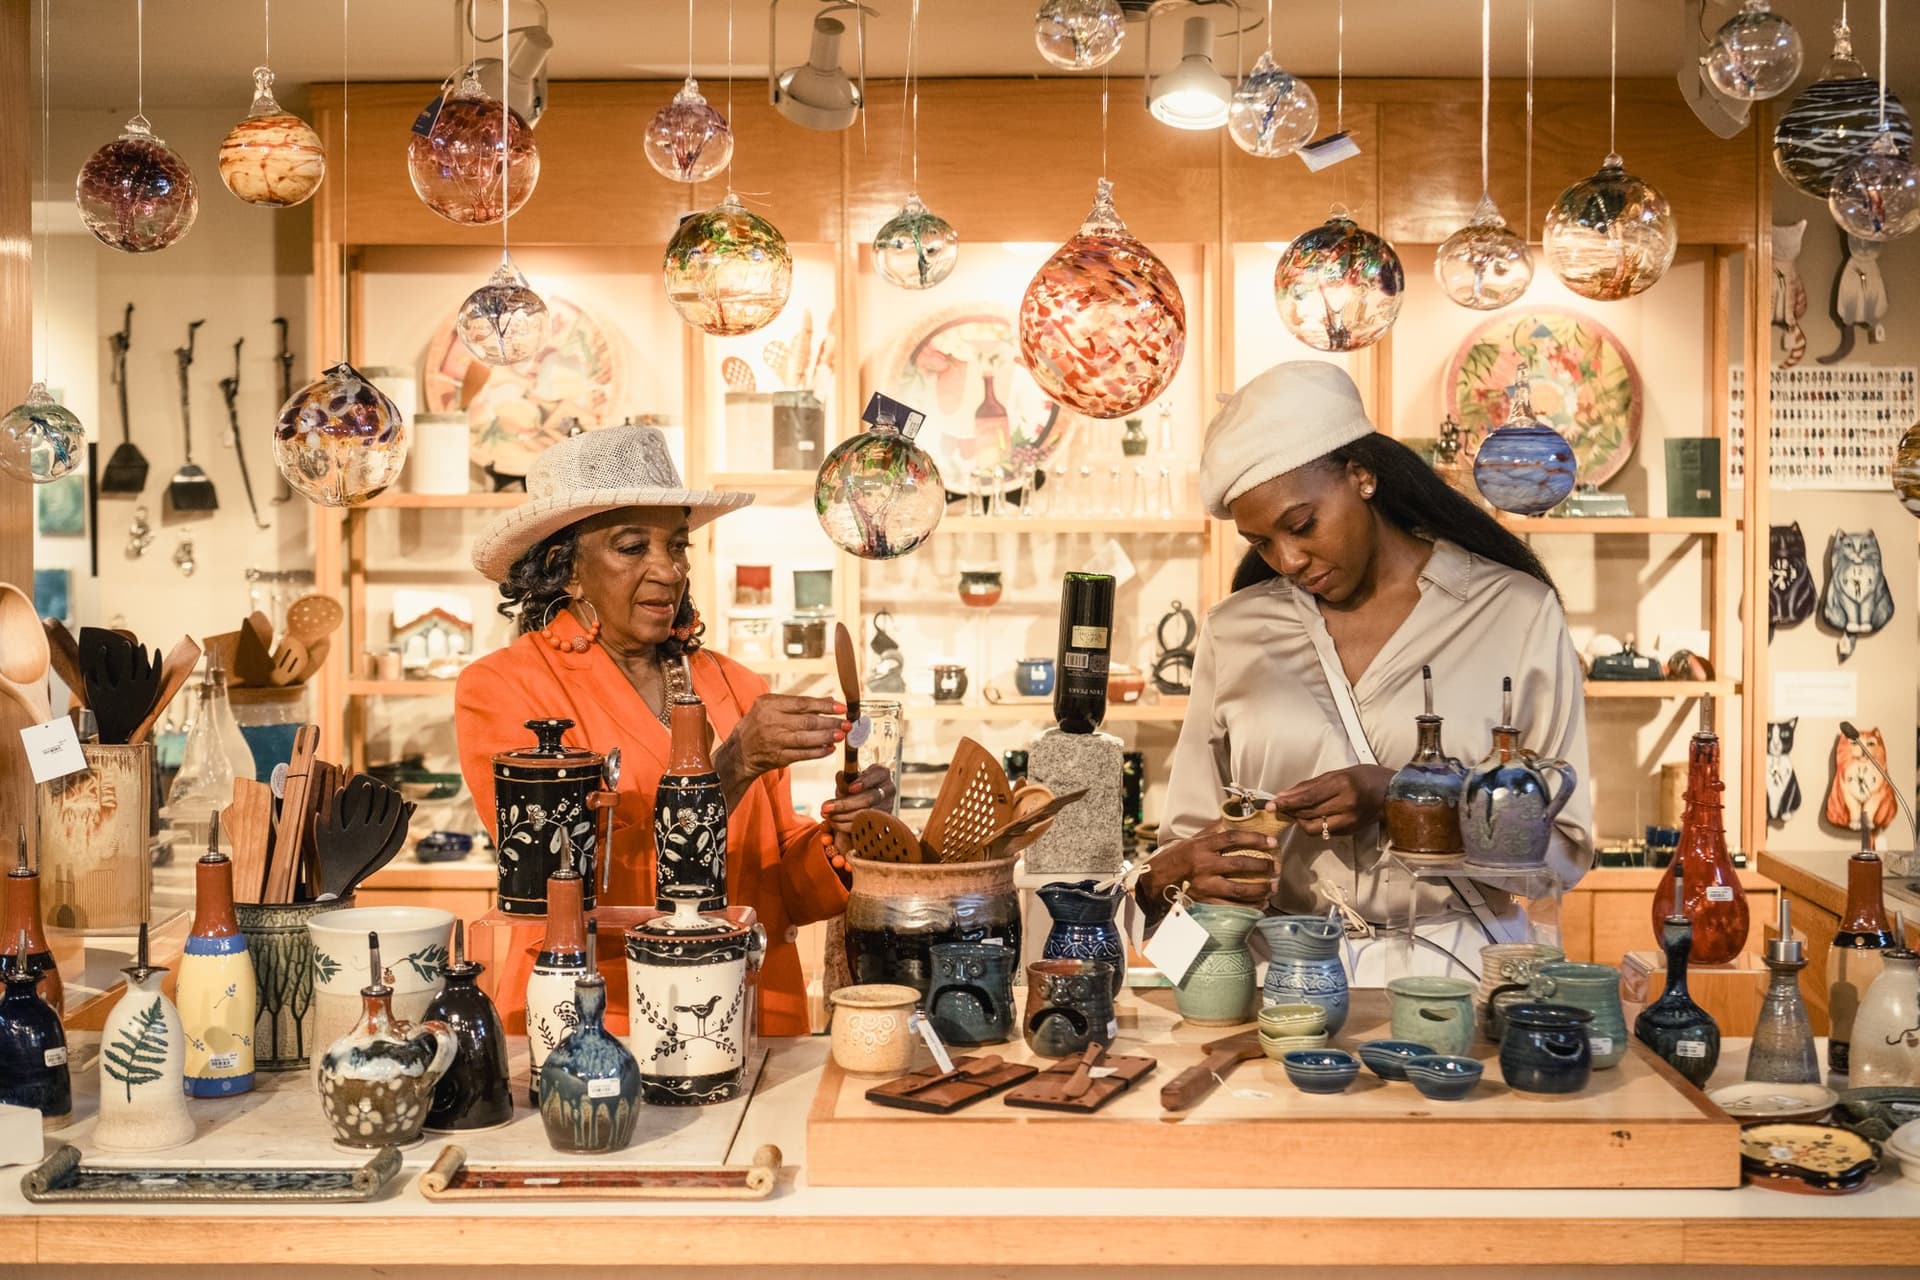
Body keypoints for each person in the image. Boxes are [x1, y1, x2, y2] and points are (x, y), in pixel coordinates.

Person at [1143, 361, 1592, 981]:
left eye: (1301, 525)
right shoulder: (1236, 630)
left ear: (1362, 476)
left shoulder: (1514, 612)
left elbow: (1564, 851)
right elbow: (1186, 837)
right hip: (1286, 974)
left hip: (1461, 972)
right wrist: (1201, 868)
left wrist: (1407, 799)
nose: (1289, 559)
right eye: (1262, 543)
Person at [455, 425, 893, 1035]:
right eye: (633, 547)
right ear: (567, 571)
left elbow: (775, 883)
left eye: (678, 547)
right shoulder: (507, 687)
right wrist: (732, 764)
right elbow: (564, 878)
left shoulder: (736, 683)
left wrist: (848, 839)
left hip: (748, 1011)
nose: (668, 570)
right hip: (599, 1021)